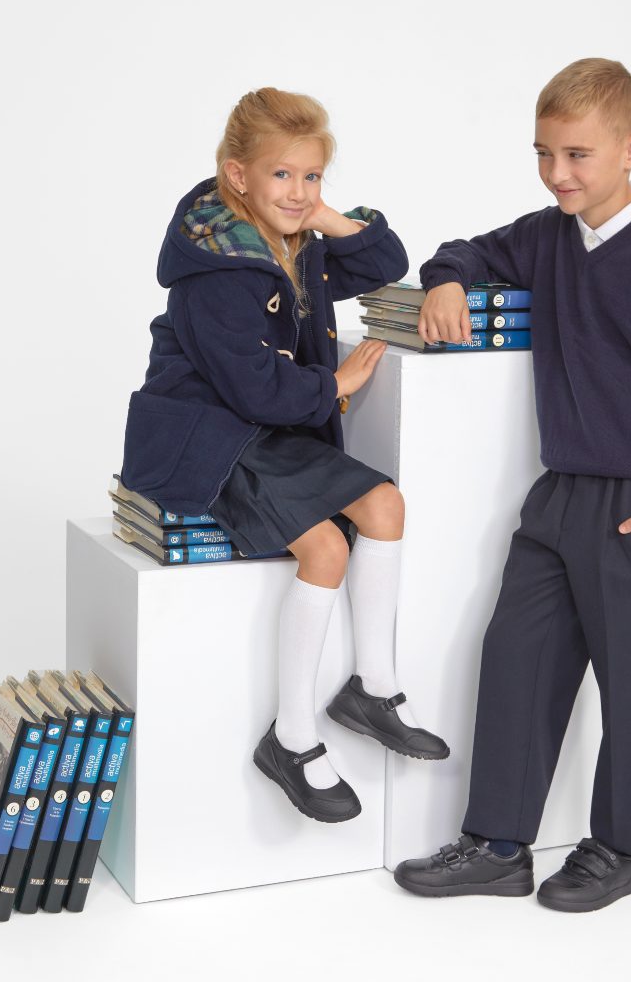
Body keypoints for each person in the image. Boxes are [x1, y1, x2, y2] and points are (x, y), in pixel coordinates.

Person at [393, 59, 631, 910]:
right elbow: (465, 250)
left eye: (578, 156)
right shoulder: (549, 235)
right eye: (544, 154)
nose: (557, 174)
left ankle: (622, 848)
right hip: (558, 497)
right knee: (516, 656)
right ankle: (499, 845)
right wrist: (444, 279)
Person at [119, 88, 449, 824]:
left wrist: (323, 216)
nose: (298, 193)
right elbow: (254, 389)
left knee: (386, 504)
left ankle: (372, 686)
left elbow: (389, 259)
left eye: (313, 177)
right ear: (238, 176)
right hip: (213, 438)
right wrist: (333, 385)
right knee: (327, 549)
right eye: (282, 177)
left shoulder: (297, 236)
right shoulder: (218, 268)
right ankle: (292, 738)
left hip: (272, 430)